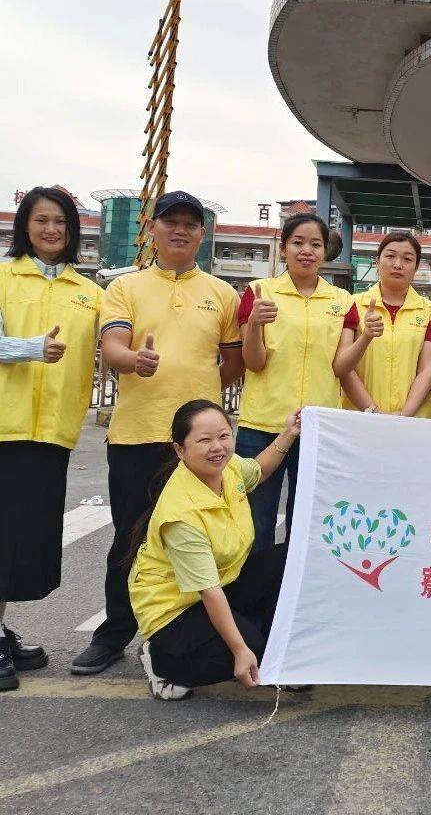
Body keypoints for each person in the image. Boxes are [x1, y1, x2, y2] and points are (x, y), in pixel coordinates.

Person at [72, 191, 245, 677]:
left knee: (206, 539)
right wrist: (136, 362)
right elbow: (112, 349)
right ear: (152, 230)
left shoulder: (223, 294)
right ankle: (114, 635)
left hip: (201, 446)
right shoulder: (125, 288)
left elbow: (231, 362)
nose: (181, 231)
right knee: (132, 537)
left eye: (191, 224)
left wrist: (200, 393)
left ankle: (195, 633)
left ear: (201, 234)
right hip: (137, 434)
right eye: (171, 222)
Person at [0, 187, 103, 692]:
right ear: (25, 225)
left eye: (60, 221)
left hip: (54, 432)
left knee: (23, 543)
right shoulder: (2, 275)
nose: (51, 230)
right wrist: (30, 348)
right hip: (5, 425)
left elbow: (113, 342)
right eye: (41, 220)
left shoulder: (88, 291)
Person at [128, 400, 300, 699]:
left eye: (223, 436)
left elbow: (258, 470)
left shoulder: (228, 468)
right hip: (175, 610)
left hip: (221, 583)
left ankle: (267, 646)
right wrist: (240, 649)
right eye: (204, 440)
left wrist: (289, 433)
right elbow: (208, 591)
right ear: (180, 450)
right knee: (248, 652)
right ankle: (159, 659)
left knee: (289, 559)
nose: (217, 447)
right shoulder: (181, 514)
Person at [236, 213, 355, 551]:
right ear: (284, 247)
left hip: (319, 426)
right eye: (298, 243)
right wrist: (256, 324)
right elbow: (253, 362)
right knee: (255, 525)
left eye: (315, 244)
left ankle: (291, 601)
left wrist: (366, 339)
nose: (307, 250)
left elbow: (339, 367)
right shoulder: (259, 292)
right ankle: (254, 603)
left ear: (325, 251)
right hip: (262, 425)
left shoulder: (342, 301)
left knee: (306, 524)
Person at [339, 231, 431, 418]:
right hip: (359, 418)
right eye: (390, 256)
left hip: (414, 421)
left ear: (416, 266)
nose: (398, 264)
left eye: (407, 259)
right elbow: (344, 367)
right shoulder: (351, 304)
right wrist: (372, 410)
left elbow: (427, 370)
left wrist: (403, 415)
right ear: (377, 262)